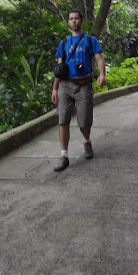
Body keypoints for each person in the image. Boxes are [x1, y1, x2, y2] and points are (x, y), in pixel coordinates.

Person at [51, 9, 106, 172]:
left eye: (76, 18)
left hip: (84, 85)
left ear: (81, 21)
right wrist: (55, 88)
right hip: (65, 86)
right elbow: (59, 68)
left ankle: (87, 141)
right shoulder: (63, 43)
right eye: (71, 19)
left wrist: (102, 74)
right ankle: (64, 156)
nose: (74, 21)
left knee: (84, 122)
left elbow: (99, 59)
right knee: (63, 120)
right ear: (68, 22)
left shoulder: (90, 40)